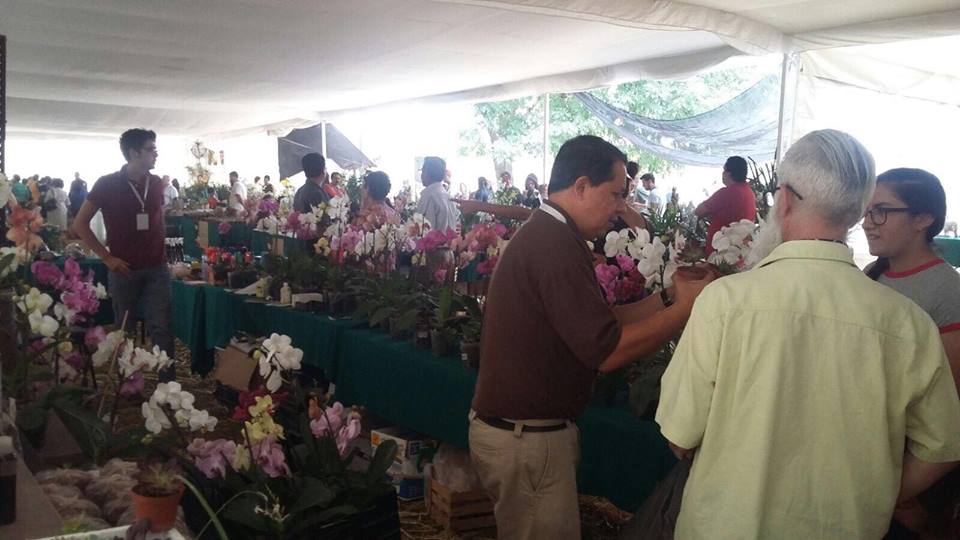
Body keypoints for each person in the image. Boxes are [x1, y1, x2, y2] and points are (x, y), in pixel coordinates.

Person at [656, 130, 960, 539]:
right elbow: (943, 446)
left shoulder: (726, 302)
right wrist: (879, 494)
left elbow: (680, 435)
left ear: (783, 199)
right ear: (856, 212)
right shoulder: (907, 322)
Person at [470, 135, 714, 539]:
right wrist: (685, 309)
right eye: (615, 194)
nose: (621, 208)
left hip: (524, 434)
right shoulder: (554, 245)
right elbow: (607, 351)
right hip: (526, 439)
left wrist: (669, 296)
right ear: (581, 186)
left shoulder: (553, 233)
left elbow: (601, 321)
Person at [862, 168, 960, 538]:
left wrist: (901, 492)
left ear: (923, 219)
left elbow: (946, 403)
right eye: (867, 211)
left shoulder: (947, 292)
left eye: (882, 211)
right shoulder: (872, 274)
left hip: (910, 471)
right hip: (869, 448)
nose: (868, 223)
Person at [72, 128, 175, 381]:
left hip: (157, 268)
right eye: (151, 149)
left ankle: (168, 388)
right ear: (133, 152)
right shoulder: (106, 184)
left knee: (162, 328)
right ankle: (128, 386)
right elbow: (80, 223)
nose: (156, 154)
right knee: (125, 331)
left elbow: (157, 219)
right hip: (123, 269)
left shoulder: (157, 183)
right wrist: (106, 257)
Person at [695, 156, 756, 253]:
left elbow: (699, 211)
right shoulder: (749, 192)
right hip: (740, 250)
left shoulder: (727, 193)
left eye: (724, 170)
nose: (722, 173)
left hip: (721, 253)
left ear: (729, 173)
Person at [416, 156, 460, 232]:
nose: (421, 175)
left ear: (427, 173)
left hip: (434, 240)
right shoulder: (448, 196)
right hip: (449, 239)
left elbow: (424, 231)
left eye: (423, 171)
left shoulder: (429, 197)